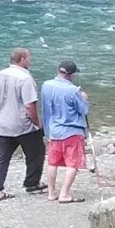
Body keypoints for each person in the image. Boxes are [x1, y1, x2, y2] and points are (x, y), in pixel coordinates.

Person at [0, 47, 45, 201]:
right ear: (22, 59)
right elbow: (29, 105)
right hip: (23, 125)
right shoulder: (25, 79)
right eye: (28, 58)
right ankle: (32, 184)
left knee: (1, 157)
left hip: (2, 123)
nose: (30, 61)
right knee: (36, 153)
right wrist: (37, 123)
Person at [40, 60, 91, 203]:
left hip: (54, 131)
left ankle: (51, 193)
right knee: (73, 163)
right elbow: (84, 110)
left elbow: (45, 110)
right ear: (72, 75)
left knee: (52, 162)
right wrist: (84, 98)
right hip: (72, 132)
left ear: (58, 71)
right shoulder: (73, 90)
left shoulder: (46, 86)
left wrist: (47, 131)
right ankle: (64, 194)